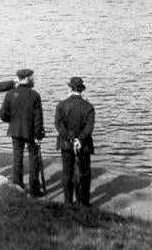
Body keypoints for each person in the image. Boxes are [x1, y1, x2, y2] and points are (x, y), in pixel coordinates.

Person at [0, 68, 45, 196]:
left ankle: (18, 186)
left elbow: (3, 115)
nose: (33, 79)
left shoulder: (10, 94)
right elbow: (38, 118)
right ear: (26, 78)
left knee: (17, 158)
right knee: (33, 159)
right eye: (32, 77)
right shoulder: (34, 95)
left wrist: (12, 121)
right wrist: (39, 134)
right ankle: (34, 190)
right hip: (31, 132)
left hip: (15, 130)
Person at [55, 76, 95, 207]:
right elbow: (90, 126)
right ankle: (84, 202)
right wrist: (80, 139)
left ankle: (68, 201)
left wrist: (71, 138)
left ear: (70, 88)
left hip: (66, 143)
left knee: (67, 172)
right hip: (83, 144)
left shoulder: (61, 105)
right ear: (81, 90)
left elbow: (58, 125)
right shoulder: (88, 106)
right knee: (84, 173)